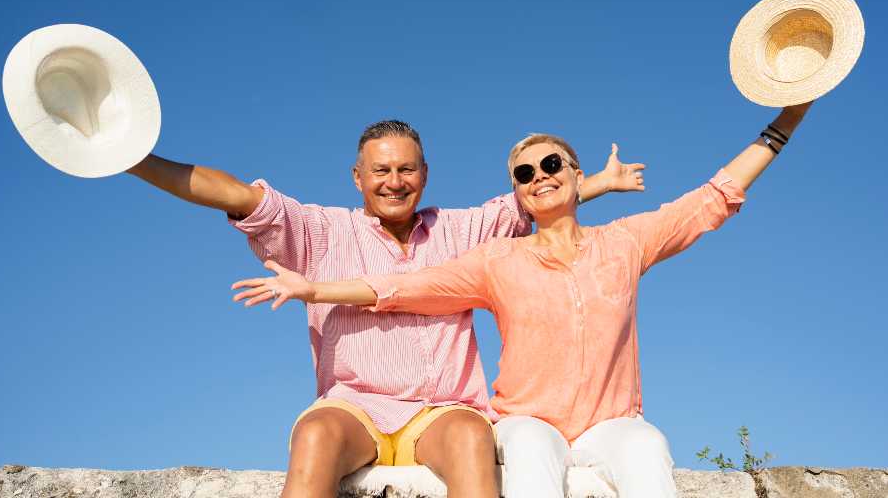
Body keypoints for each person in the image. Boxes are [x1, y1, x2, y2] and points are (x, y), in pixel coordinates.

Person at [232, 104, 811, 498]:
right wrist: (313, 289)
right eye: (525, 172)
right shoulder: (496, 261)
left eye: (552, 165)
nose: (539, 176)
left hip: (612, 423)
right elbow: (403, 288)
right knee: (530, 453)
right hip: (528, 421)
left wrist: (784, 122)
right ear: (517, 192)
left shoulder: (625, 244)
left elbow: (712, 199)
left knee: (648, 449)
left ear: (577, 175)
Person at [128, 119, 644, 498]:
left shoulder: (464, 230)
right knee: (314, 434)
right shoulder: (320, 231)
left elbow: (539, 195)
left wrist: (597, 183)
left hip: (441, 410)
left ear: (424, 174)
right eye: (380, 170)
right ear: (358, 177)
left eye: (405, 169)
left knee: (472, 437)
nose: (394, 181)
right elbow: (236, 195)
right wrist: (132, 158)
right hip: (355, 406)